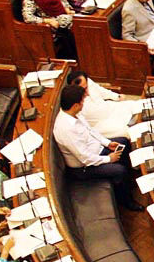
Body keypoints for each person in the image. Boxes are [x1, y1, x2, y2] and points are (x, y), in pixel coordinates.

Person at [53, 83, 141, 212]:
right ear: (75, 105)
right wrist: (108, 159)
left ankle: (127, 183)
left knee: (123, 142)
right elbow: (84, 158)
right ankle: (126, 201)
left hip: (97, 151)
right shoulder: (65, 129)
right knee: (119, 170)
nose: (84, 103)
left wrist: (107, 143)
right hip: (83, 168)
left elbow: (91, 131)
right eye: (82, 101)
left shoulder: (75, 114)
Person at [64, 69, 134, 140]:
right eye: (83, 90)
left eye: (87, 87)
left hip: (109, 108)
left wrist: (116, 96)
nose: (87, 92)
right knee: (129, 131)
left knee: (134, 105)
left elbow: (100, 90)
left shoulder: (87, 81)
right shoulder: (76, 103)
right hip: (100, 124)